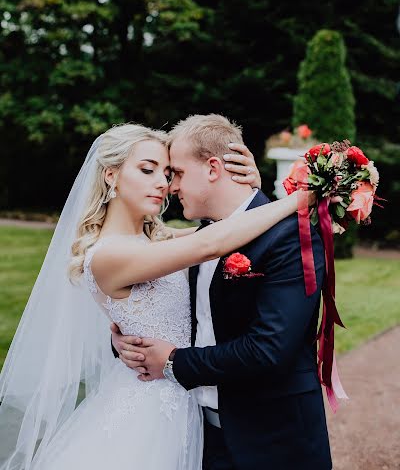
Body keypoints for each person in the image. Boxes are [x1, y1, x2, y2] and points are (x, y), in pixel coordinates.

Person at [0, 121, 307, 470]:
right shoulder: (107, 255)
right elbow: (211, 243)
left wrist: (247, 188)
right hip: (148, 408)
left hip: (187, 403)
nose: (163, 183)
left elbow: (232, 223)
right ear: (111, 176)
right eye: (148, 170)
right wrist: (298, 199)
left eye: (167, 172)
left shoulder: (157, 240)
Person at [113, 114, 332, 470]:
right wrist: (128, 344)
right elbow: (168, 312)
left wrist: (172, 362)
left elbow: (268, 349)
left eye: (178, 173)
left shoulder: (291, 236)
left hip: (273, 439)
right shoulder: (201, 238)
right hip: (199, 435)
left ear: (213, 168)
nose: (170, 187)